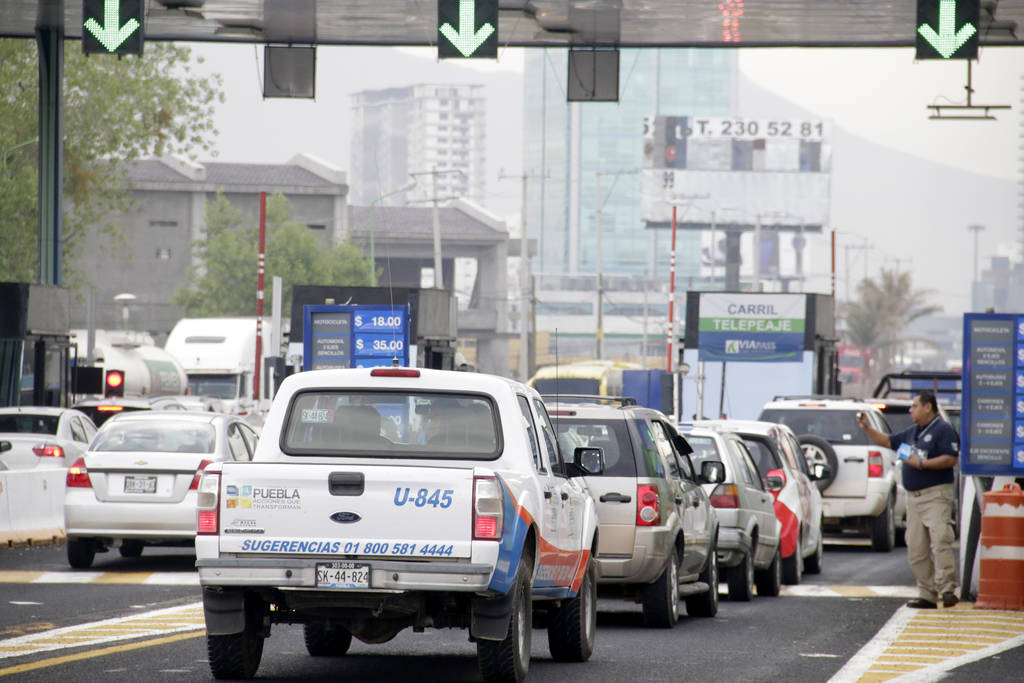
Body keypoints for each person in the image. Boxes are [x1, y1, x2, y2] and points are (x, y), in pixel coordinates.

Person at [857, 390, 959, 609]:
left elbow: (950, 458)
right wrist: (866, 427)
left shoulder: (943, 430)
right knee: (916, 547)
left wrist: (922, 464)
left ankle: (947, 589)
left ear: (928, 407)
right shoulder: (912, 432)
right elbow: (886, 441)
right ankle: (927, 594)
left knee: (940, 540)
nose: (910, 410)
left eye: (914, 406)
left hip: (936, 495)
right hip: (914, 498)